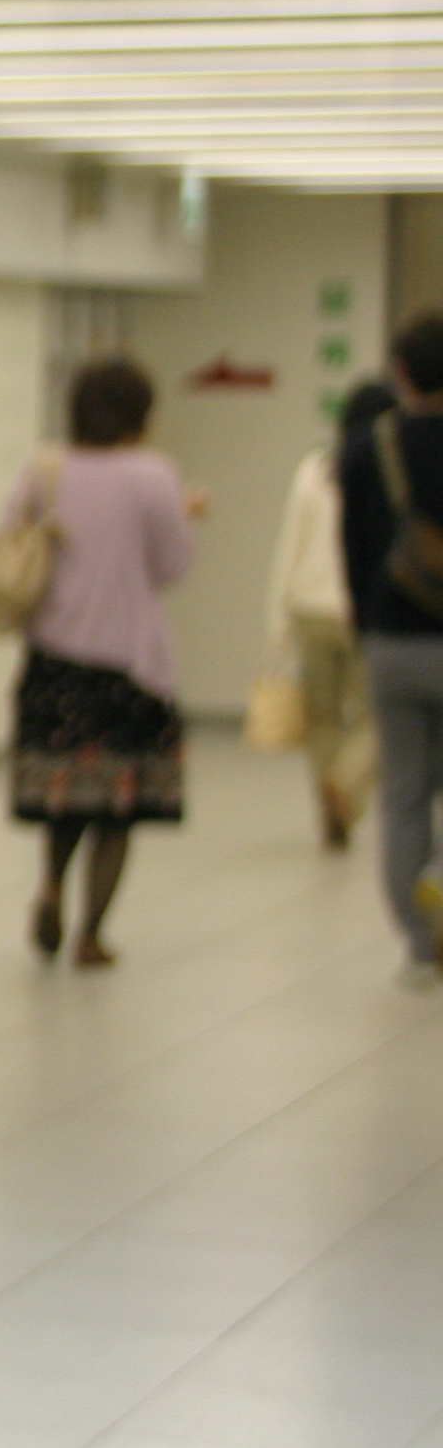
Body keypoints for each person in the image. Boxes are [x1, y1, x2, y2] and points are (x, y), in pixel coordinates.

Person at [5, 355, 201, 969]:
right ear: (140, 414)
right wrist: (183, 514)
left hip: (52, 663)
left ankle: (51, 887)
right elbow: (172, 565)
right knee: (117, 807)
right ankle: (91, 936)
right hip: (126, 665)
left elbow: (12, 541)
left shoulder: (43, 470)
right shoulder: (152, 475)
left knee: (64, 795)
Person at [343, 317, 443, 988]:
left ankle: (420, 938)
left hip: (392, 643)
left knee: (404, 793)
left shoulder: (366, 449)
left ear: (401, 371)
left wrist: (366, 633)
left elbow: (352, 554)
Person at [263, 386, 380, 849]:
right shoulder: (389, 471)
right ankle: (345, 787)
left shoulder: (314, 470)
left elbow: (288, 547)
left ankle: (330, 813)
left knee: (323, 721)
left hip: (309, 611)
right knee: (376, 717)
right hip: (363, 613)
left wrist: (277, 621)